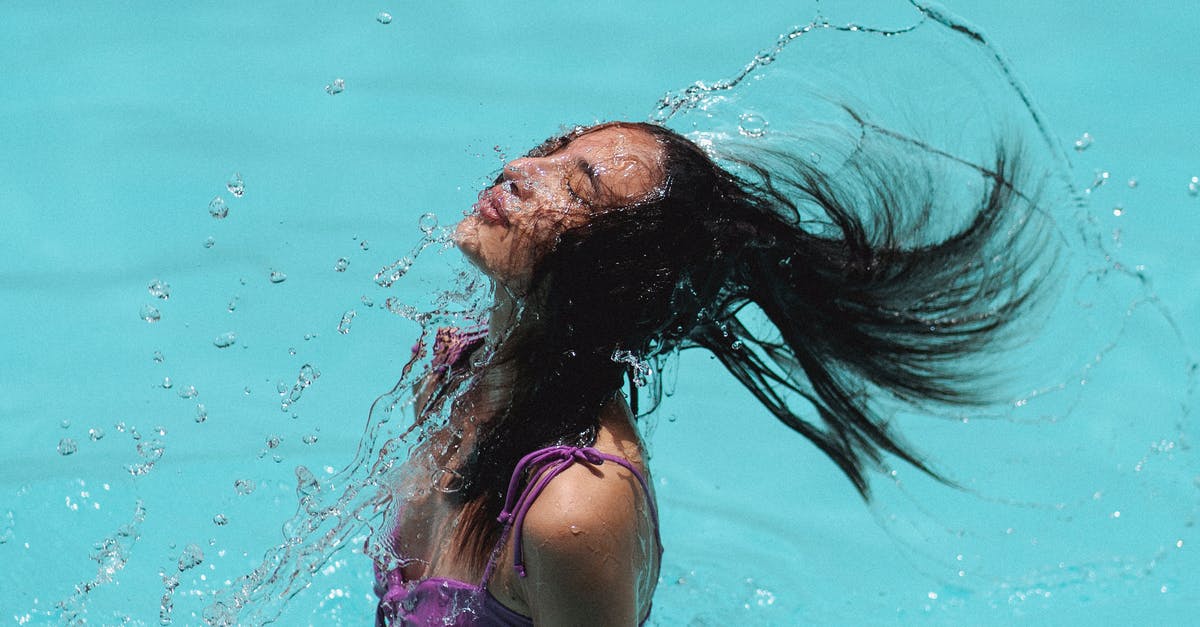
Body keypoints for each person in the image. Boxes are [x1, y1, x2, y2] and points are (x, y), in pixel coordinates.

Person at [372, 119, 1047, 625]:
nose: (520, 166)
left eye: (577, 189)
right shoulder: (453, 377)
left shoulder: (572, 507)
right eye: (553, 151)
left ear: (612, 273)